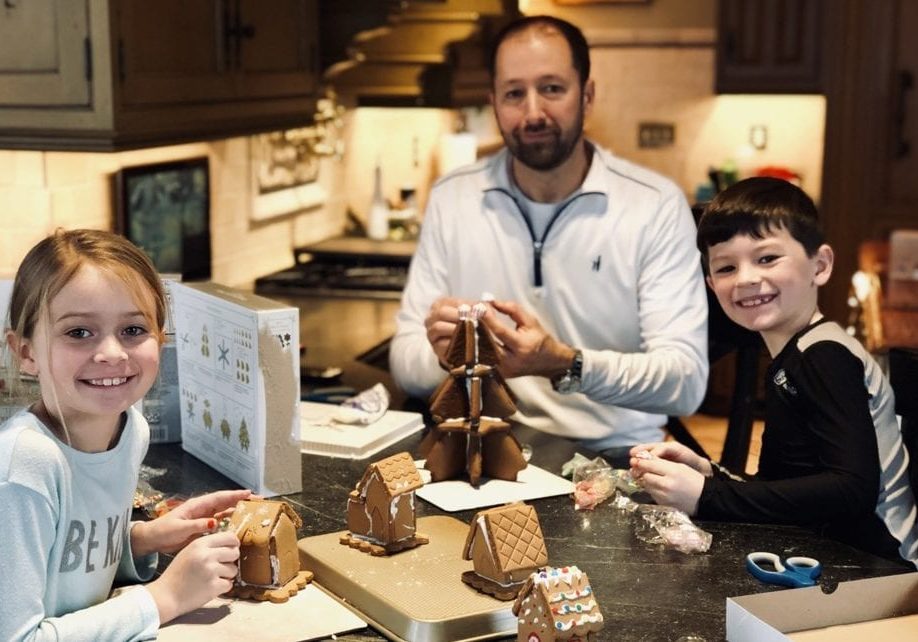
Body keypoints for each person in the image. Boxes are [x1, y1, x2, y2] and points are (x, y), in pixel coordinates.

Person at [389, 15, 709, 463]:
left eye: (552, 88)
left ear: (588, 95)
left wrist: (564, 363)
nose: (533, 112)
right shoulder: (452, 197)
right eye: (514, 94)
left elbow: (686, 383)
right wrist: (444, 357)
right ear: (494, 103)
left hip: (618, 456)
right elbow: (405, 362)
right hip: (490, 444)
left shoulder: (653, 205)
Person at [629, 177, 918, 567]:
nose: (746, 278)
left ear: (820, 265)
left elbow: (852, 490)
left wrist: (706, 495)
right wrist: (709, 473)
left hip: (880, 566)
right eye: (727, 267)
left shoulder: (825, 356)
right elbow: (786, 491)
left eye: (767, 258)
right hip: (832, 551)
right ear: (712, 286)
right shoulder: (792, 355)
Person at [0, 229, 252, 641]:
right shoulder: (23, 468)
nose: (112, 353)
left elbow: (65, 567)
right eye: (79, 332)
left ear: (160, 338)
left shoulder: (130, 428)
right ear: (26, 353)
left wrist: (144, 539)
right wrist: (164, 598)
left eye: (133, 330)